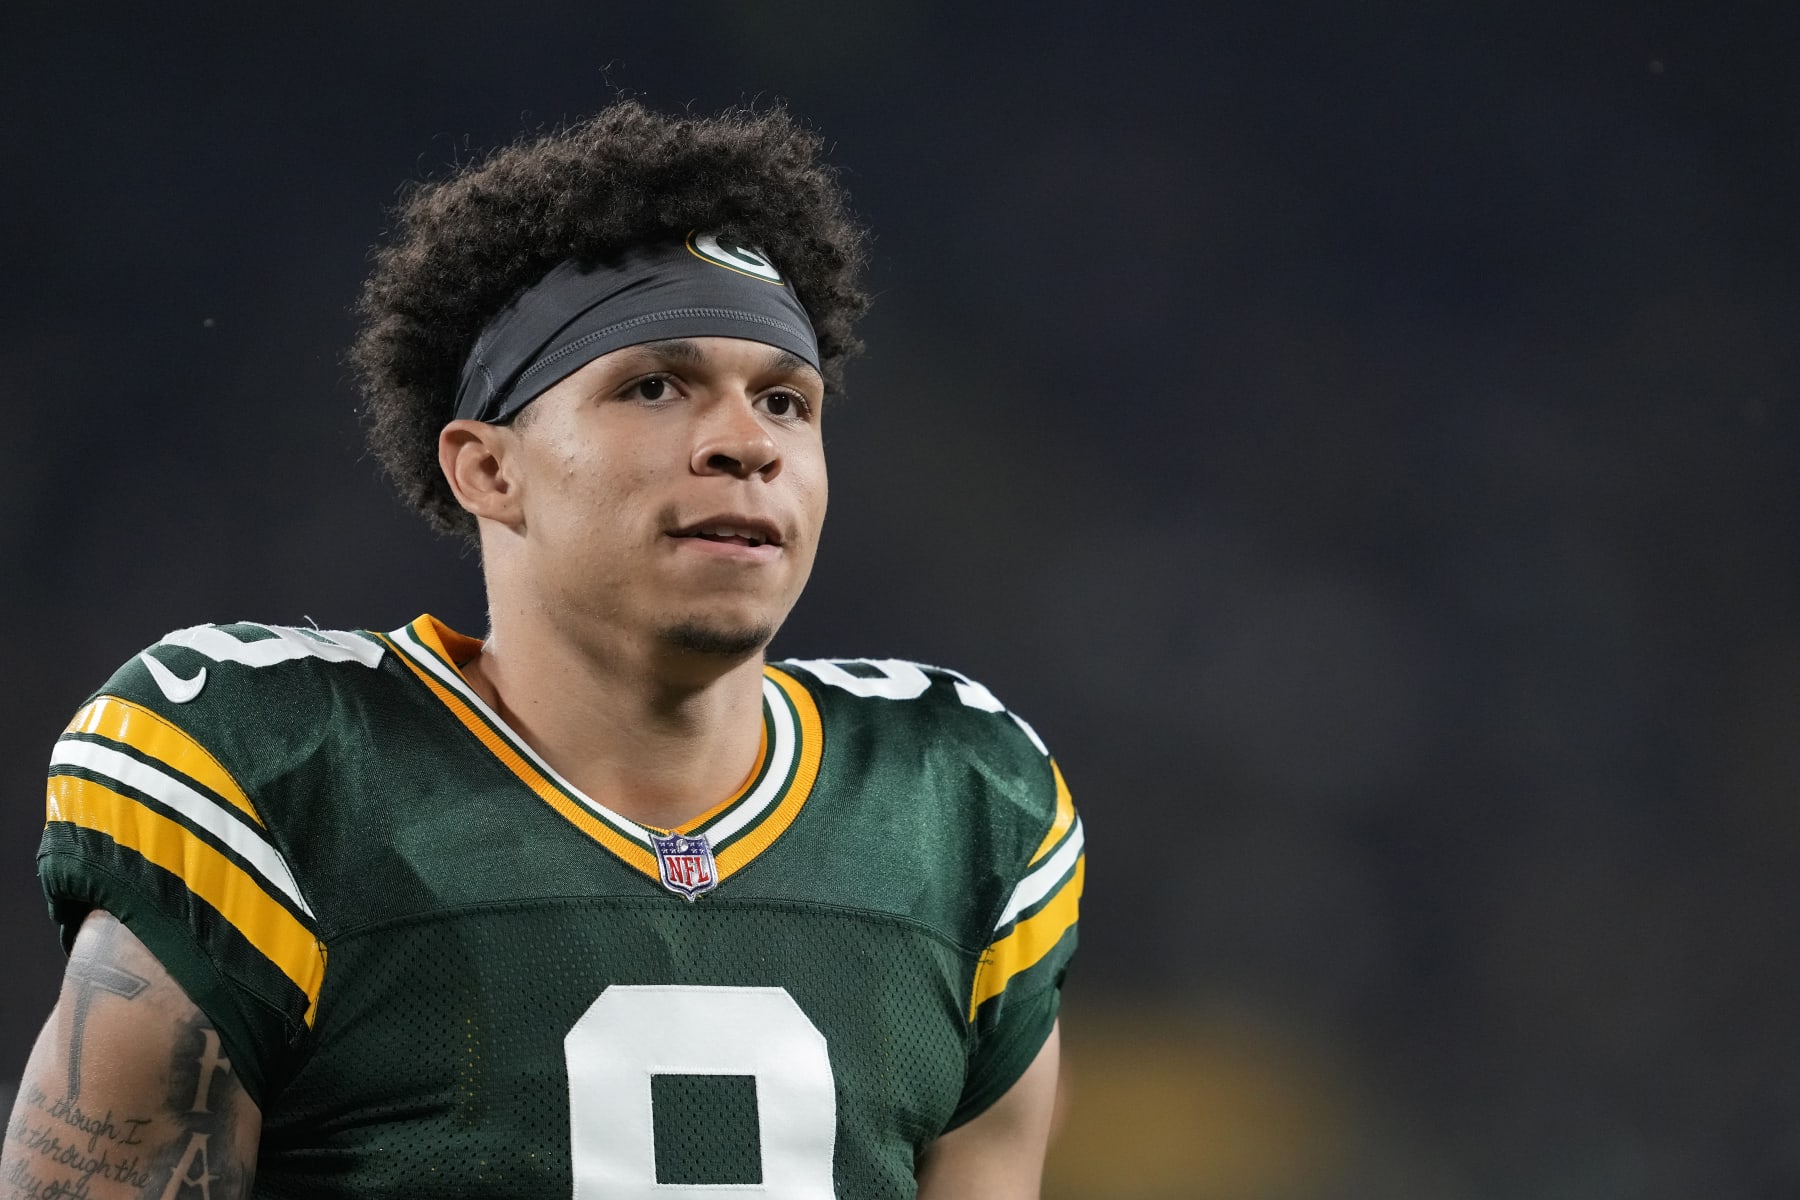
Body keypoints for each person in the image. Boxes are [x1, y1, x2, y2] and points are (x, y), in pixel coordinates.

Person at [4, 101, 1084, 1198]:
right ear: (488, 469)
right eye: (654, 386)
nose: (745, 443)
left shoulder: (955, 805)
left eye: (784, 400)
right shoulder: (284, 777)